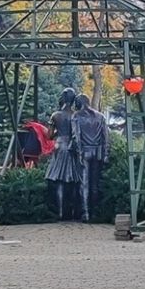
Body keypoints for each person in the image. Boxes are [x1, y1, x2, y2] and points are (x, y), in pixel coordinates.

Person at [72, 94, 109, 222]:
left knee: (84, 184)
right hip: (97, 153)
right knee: (94, 184)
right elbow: (106, 138)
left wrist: (79, 153)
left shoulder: (76, 116)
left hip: (84, 152)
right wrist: (106, 154)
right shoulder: (101, 117)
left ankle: (85, 213)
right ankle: (95, 213)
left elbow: (76, 137)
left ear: (79, 103)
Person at [45, 88, 81, 220]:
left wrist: (57, 132)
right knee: (73, 180)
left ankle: (60, 213)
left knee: (60, 180)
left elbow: (48, 136)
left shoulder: (55, 115)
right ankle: (73, 212)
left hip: (59, 146)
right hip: (71, 148)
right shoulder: (76, 115)